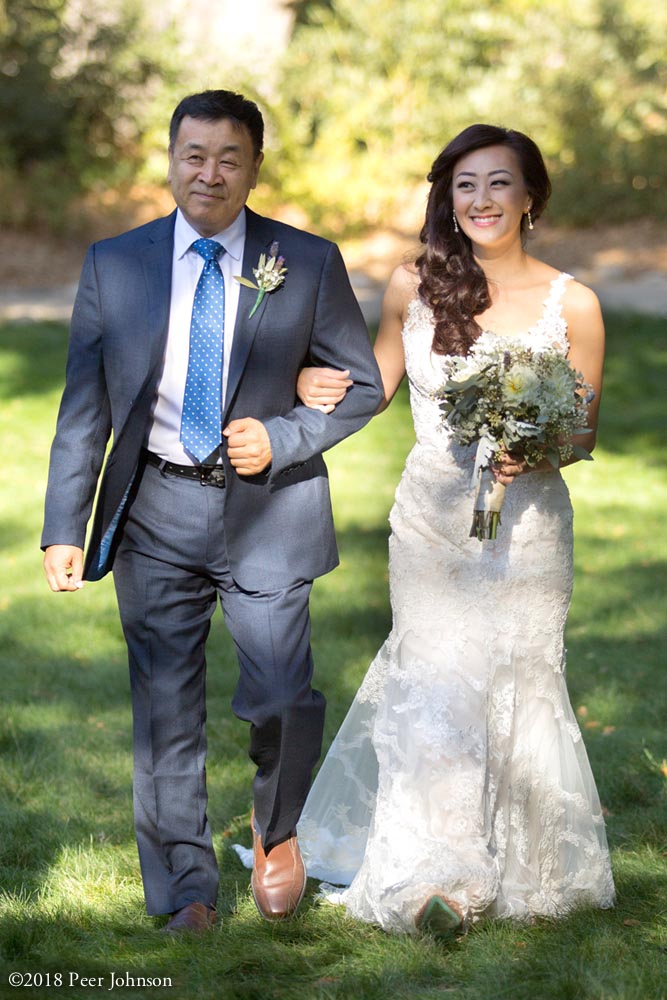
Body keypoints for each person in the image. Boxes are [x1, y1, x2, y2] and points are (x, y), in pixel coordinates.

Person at [41, 89, 382, 932]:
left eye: (229, 157)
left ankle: (278, 828)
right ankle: (185, 890)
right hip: (154, 508)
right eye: (194, 155)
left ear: (255, 167)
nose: (210, 173)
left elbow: (362, 385)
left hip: (268, 511)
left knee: (280, 695)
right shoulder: (113, 264)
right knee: (164, 711)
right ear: (169, 159)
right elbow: (85, 407)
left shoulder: (303, 260)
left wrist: (285, 435)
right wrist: (63, 525)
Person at [294, 124, 615, 937]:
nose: (480, 200)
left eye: (498, 183)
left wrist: (536, 447)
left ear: (530, 195)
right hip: (430, 521)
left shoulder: (571, 303)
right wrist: (304, 383)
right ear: (447, 196)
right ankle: (438, 875)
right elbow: (371, 386)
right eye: (464, 184)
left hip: (529, 527)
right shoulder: (414, 284)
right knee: (435, 680)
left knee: (519, 675)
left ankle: (527, 864)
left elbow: (582, 434)